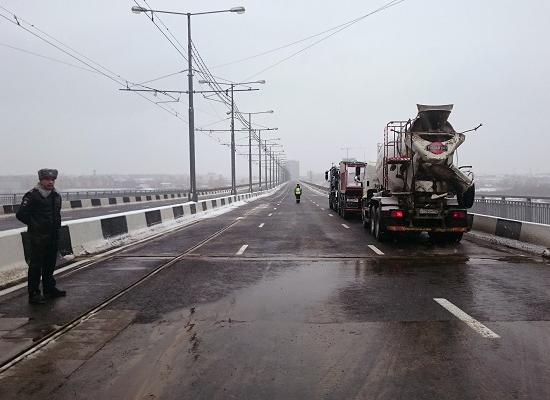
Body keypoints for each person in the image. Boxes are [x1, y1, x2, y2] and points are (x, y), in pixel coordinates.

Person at [16, 169, 66, 304]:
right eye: (47, 179)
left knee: (50, 264)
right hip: (38, 237)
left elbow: (57, 215)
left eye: (52, 180)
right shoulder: (32, 195)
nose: (50, 182)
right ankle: (34, 293)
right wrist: (35, 224)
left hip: (53, 236)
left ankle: (49, 289)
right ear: (41, 180)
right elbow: (21, 214)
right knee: (36, 266)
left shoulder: (56, 196)